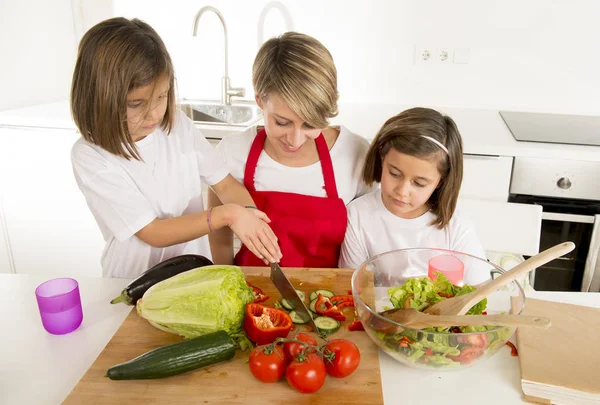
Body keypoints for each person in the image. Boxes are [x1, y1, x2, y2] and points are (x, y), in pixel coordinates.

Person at [70, 17, 281, 278]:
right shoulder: (90, 155)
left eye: (162, 96)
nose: (154, 113)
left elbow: (224, 185)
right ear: (99, 96)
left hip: (194, 275)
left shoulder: (177, 124)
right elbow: (153, 232)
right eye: (136, 103)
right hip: (131, 279)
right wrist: (227, 215)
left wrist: (252, 219)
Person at [209, 32, 372, 267]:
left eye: (310, 124)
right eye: (282, 123)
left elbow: (369, 237)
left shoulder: (354, 152)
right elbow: (219, 235)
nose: (295, 140)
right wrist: (223, 277)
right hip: (251, 294)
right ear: (260, 100)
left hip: (330, 299)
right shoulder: (232, 152)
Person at [339, 107, 489, 285]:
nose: (402, 191)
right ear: (382, 159)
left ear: (440, 182)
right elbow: (351, 286)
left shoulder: (455, 224)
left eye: (419, 183)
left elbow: (480, 289)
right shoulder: (358, 215)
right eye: (394, 173)